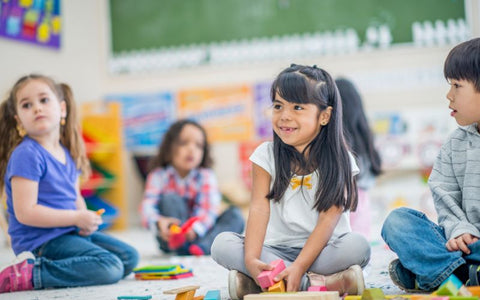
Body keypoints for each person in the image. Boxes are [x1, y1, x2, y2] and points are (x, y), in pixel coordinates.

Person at [211, 64, 371, 300]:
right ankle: (321, 283)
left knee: (358, 246)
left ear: (324, 116)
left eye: (297, 107)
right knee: (221, 244)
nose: (284, 115)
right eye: (278, 106)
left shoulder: (341, 159)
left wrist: (299, 266)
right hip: (275, 250)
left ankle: (269, 283)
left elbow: (329, 218)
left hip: (325, 249)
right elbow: (258, 208)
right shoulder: (265, 155)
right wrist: (252, 260)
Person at [0, 74, 139, 293]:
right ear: (18, 120)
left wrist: (84, 220)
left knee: (129, 257)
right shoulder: (26, 154)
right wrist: (76, 218)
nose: (37, 108)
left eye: (44, 100)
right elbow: (26, 212)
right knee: (110, 267)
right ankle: (32, 273)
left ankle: (64, 266)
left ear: (62, 110)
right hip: (40, 242)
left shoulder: (65, 152)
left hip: (67, 232)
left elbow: (75, 198)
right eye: (27, 105)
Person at [382, 37, 480, 292]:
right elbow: (444, 198)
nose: (449, 95)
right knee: (398, 222)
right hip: (460, 246)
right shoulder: (453, 145)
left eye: (457, 86)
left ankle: (433, 274)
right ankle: (459, 273)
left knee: (412, 265)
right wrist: (459, 230)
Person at [140, 119, 245, 256]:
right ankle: (188, 246)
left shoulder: (206, 175)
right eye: (183, 143)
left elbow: (209, 210)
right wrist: (159, 222)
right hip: (170, 236)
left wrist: (195, 229)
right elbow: (147, 207)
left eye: (198, 145)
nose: (191, 149)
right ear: (169, 148)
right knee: (170, 199)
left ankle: (201, 246)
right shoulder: (158, 175)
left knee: (235, 215)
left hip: (200, 233)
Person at [336, 78, 382, 240]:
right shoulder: (365, 136)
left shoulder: (338, 142)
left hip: (343, 211)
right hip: (362, 212)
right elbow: (369, 178)